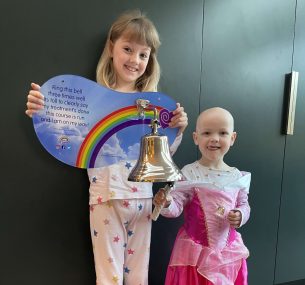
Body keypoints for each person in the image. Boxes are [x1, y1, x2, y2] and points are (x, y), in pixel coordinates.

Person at [25, 10, 188, 285]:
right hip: (105, 198)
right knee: (108, 276)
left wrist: (177, 129)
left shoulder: (151, 106)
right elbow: (62, 129)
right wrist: (42, 111)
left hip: (143, 200)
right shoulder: (90, 101)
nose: (135, 60)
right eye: (128, 49)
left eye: (143, 54)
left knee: (139, 276)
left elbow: (164, 157)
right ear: (111, 48)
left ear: (150, 60)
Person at [153, 107, 251, 285]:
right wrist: (166, 202)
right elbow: (176, 208)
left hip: (228, 253)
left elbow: (244, 205)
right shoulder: (189, 173)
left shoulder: (238, 177)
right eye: (207, 133)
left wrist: (240, 215)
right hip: (194, 253)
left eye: (222, 133)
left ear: (233, 138)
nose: (214, 138)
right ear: (196, 138)